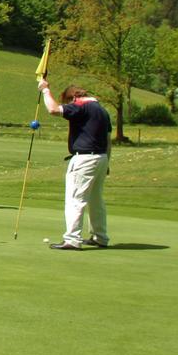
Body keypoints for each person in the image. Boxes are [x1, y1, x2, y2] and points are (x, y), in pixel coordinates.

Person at [38, 79, 112, 250]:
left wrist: (45, 90)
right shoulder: (102, 110)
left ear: (74, 98)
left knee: (75, 200)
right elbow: (108, 141)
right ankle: (100, 237)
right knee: (95, 200)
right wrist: (107, 162)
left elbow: (53, 109)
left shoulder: (80, 106)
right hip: (101, 158)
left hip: (84, 159)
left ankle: (72, 239)